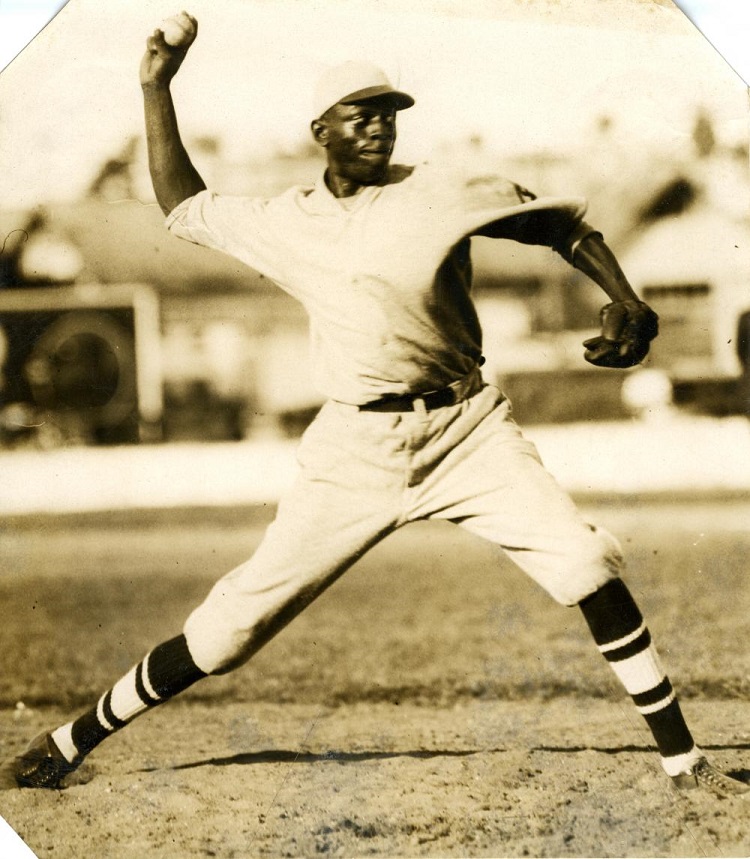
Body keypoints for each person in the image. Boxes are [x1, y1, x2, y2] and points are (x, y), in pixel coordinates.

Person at [2, 15, 747, 798]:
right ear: (320, 130)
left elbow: (563, 224)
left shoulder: (445, 187)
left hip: (467, 431)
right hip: (355, 448)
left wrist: (625, 298)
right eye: (362, 113)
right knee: (229, 631)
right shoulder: (286, 219)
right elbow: (183, 204)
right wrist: (156, 88)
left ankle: (685, 764)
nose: (381, 127)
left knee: (587, 560)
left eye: (391, 111)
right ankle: (71, 737)